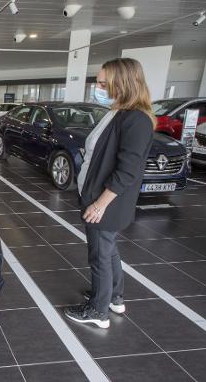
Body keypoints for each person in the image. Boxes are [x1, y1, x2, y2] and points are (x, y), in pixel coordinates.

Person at [64, 58, 156, 329]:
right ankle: (114, 297)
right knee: (109, 250)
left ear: (123, 83)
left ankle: (98, 311)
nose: (99, 87)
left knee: (99, 255)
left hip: (106, 201)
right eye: (99, 82)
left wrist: (100, 204)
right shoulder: (120, 112)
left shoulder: (137, 119)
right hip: (99, 196)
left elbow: (127, 170)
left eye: (105, 83)